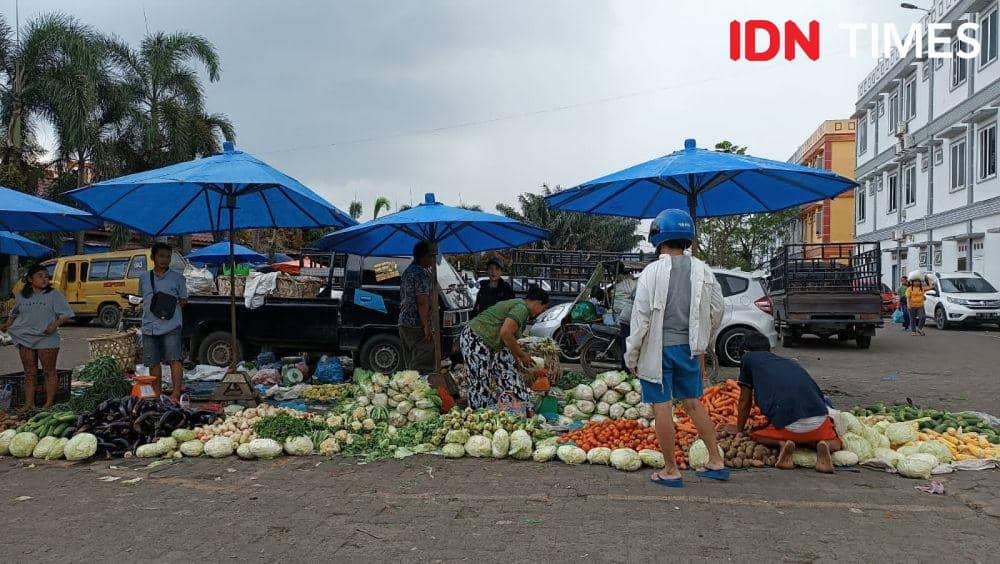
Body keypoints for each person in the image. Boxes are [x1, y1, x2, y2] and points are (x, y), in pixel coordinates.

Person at [624, 209, 727, 487]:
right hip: (689, 349)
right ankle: (716, 461)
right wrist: (703, 340)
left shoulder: (651, 272)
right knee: (694, 404)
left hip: (657, 352)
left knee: (662, 407)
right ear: (687, 238)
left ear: (658, 237)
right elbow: (718, 310)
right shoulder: (704, 270)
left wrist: (631, 354)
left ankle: (671, 469)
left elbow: (641, 319)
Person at [727, 333, 843, 474]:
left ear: (745, 352)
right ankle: (821, 444)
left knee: (754, 434)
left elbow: (745, 401)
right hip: (818, 418)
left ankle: (783, 444)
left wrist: (739, 429)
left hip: (789, 427)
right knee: (837, 443)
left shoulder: (748, 359)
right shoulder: (789, 362)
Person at [460, 285, 550, 409]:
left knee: (509, 372)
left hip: (494, 344)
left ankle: (516, 408)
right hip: (476, 338)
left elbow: (509, 340)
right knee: (480, 381)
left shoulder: (521, 308)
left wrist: (517, 359)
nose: (540, 312)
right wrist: (522, 355)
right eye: (542, 308)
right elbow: (506, 333)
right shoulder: (522, 309)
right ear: (538, 303)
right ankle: (479, 414)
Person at [0, 264, 74, 411]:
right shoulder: (22, 295)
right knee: (29, 373)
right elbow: (15, 313)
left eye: (46, 276)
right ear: (30, 279)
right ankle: (29, 404)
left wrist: (54, 325)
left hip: (47, 338)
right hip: (25, 337)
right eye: (40, 275)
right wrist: (7, 324)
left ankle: (49, 403)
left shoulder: (54, 294)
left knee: (49, 371)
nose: (44, 278)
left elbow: (66, 313)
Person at [140, 242, 188, 401]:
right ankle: (156, 394)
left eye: (168, 257)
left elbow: (183, 301)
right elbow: (143, 299)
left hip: (171, 326)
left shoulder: (178, 278)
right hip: (149, 327)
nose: (165, 260)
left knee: (174, 359)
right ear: (153, 257)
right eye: (161, 256)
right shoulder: (144, 278)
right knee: (153, 362)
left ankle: (175, 393)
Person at [399, 241, 435, 371]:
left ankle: (408, 387)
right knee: (422, 364)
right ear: (424, 256)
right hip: (416, 325)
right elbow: (422, 302)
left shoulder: (407, 271)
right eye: (431, 256)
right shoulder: (421, 274)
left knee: (410, 362)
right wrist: (426, 327)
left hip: (404, 323)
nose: (433, 259)